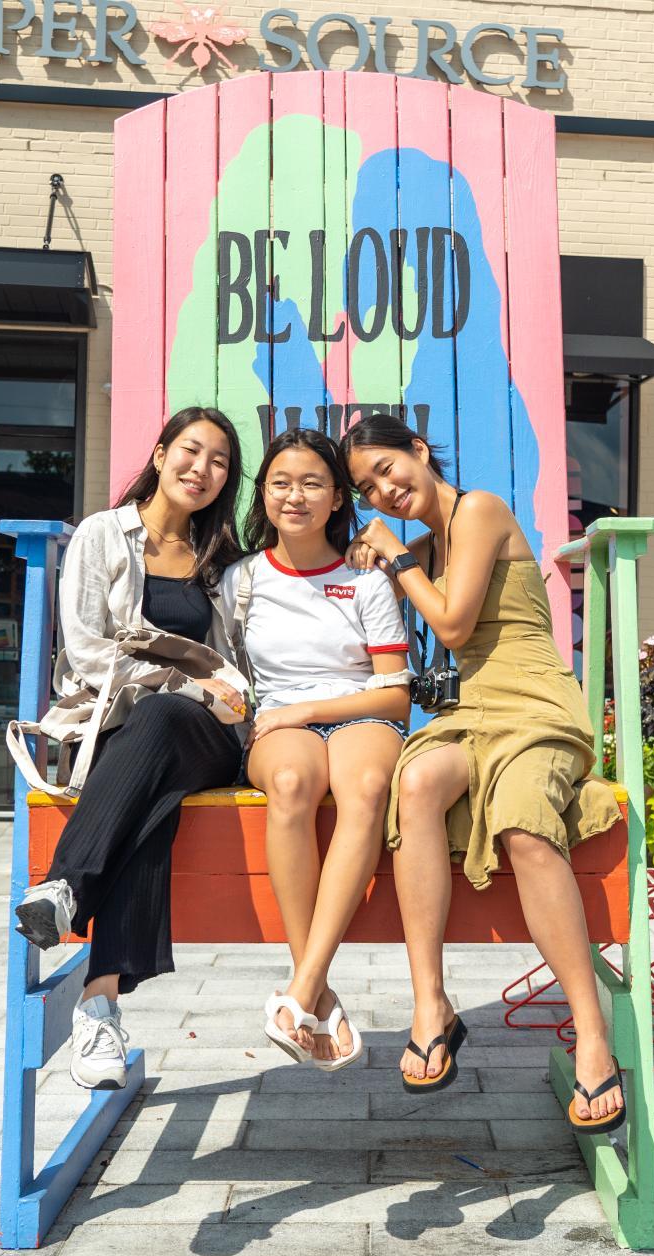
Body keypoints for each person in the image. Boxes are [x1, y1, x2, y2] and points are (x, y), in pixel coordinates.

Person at [341, 414, 628, 1133]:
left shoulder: (479, 510)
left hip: (533, 705)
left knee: (527, 822)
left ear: (418, 450)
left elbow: (457, 625)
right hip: (471, 713)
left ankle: (591, 1034)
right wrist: (377, 556)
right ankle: (430, 1002)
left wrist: (392, 555)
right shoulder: (428, 541)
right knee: (416, 786)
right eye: (366, 486)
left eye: (387, 467)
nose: (383, 489)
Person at [12, 406, 250, 1090]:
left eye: (219, 462)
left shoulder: (219, 559)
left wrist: (206, 693)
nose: (201, 469)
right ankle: (99, 1006)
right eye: (191, 451)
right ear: (159, 451)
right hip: (120, 728)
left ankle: (65, 886)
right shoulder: (101, 536)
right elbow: (86, 652)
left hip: (206, 730)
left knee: (164, 719)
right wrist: (176, 680)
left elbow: (232, 666)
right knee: (152, 800)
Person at [226, 429, 412, 1072]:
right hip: (278, 728)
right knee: (291, 786)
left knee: (363, 790)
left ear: (337, 498)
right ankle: (318, 991)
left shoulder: (365, 580)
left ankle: (302, 989)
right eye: (280, 483)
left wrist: (306, 710)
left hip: (358, 713)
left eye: (312, 483)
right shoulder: (241, 579)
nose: (294, 496)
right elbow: (221, 673)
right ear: (263, 494)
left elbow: (393, 698)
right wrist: (274, 717)